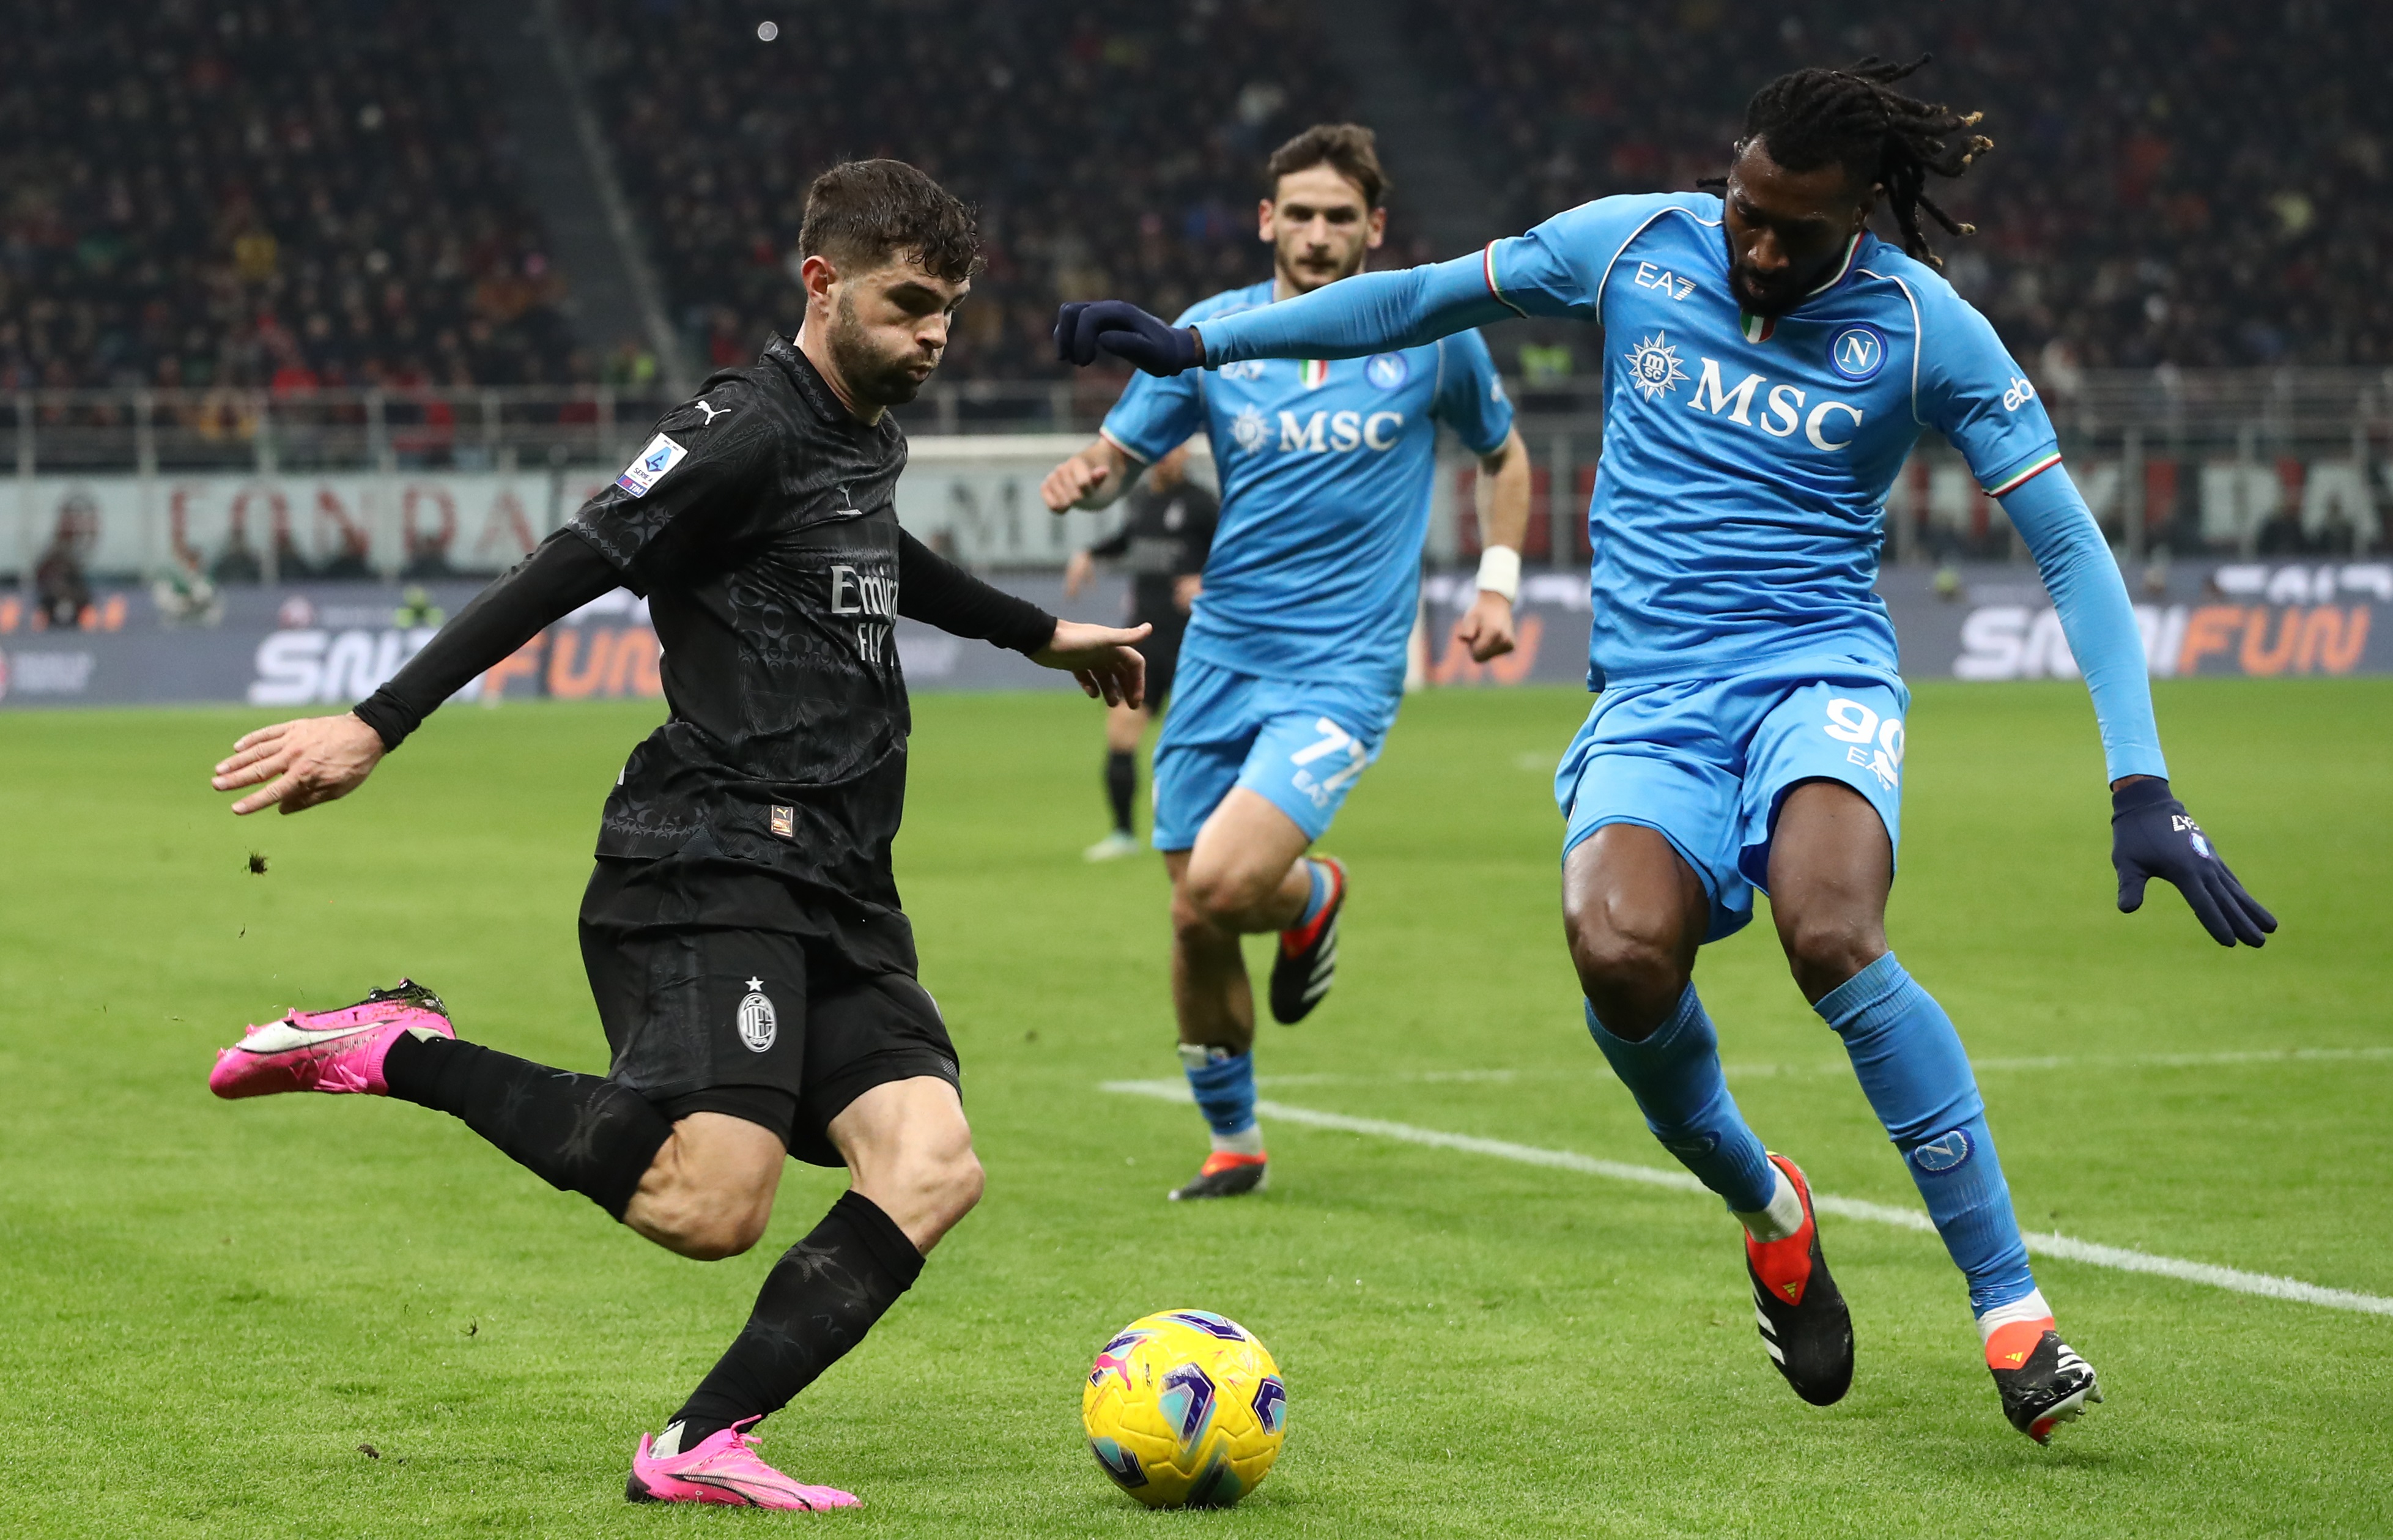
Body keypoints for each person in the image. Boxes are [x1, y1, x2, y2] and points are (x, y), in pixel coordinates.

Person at [1054, 59, 2276, 1443]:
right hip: (1650, 703)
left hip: (1819, 678)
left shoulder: (1927, 329)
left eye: (1793, 230)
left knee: (1833, 931)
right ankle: (1774, 1208)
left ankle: (2013, 1309)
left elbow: (2070, 545)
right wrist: (1202, 345)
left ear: (1861, 215)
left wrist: (2142, 779)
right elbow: (1421, 297)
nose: (1756, 245)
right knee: (1621, 956)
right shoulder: (1634, 242)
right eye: (1744, 208)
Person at [204, 160, 1150, 1511]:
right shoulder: (739, 428)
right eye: (908, 303)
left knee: (933, 1165)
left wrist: (1039, 632)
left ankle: (699, 1441)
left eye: (950, 309)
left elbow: (883, 551)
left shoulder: (861, 429)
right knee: (716, 1203)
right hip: (710, 852)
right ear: (821, 285)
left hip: (841, 879)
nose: (935, 333)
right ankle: (395, 1047)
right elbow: (573, 558)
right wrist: (377, 719)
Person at [1040, 124, 1532, 1201]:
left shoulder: (1433, 334)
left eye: (1337, 217)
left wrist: (1496, 581)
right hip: (1220, 659)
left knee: (1220, 882)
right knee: (1190, 911)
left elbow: (1503, 457)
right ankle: (1234, 1140)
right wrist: (1091, 473)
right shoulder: (1215, 332)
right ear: (1266, 220)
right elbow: (1126, 453)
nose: (1316, 235)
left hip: (1342, 666)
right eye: (1298, 214)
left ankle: (1305, 890)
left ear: (1375, 229)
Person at [1062, 438, 1218, 860]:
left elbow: (1239, 551)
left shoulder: (1203, 504)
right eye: (1162, 449)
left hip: (1195, 644)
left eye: (1175, 448)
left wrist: (1210, 582)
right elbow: (1127, 540)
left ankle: (1213, 831)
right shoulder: (1142, 500)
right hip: (1145, 641)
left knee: (1202, 744)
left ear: (1186, 453)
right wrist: (1089, 554)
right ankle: (1123, 834)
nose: (1167, 455)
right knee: (1120, 733)